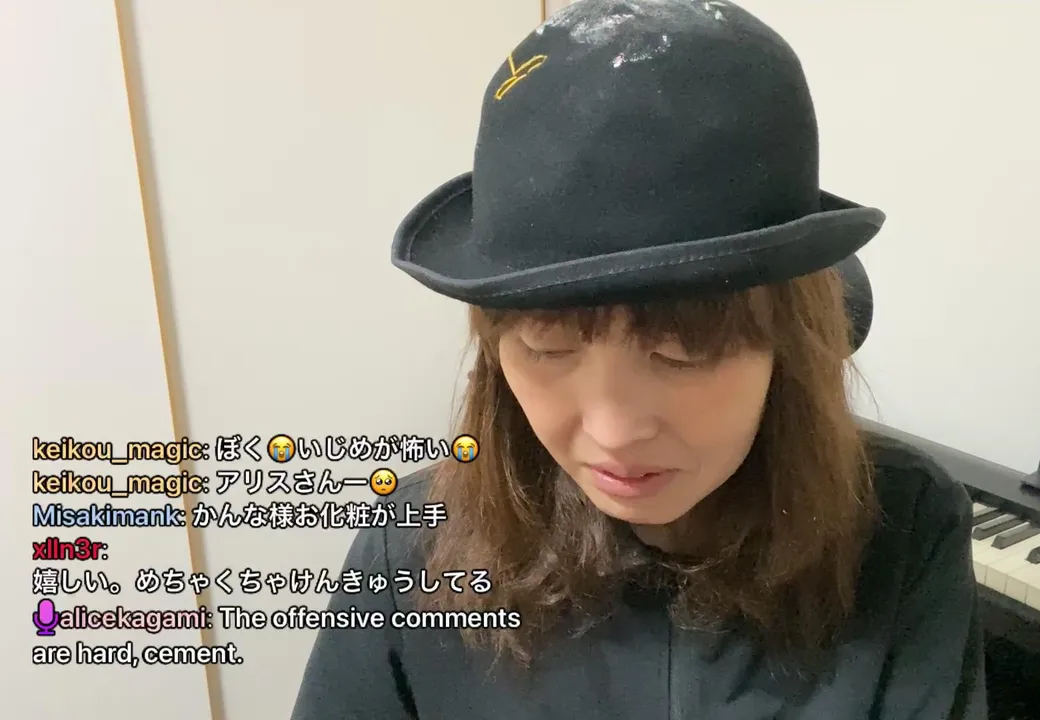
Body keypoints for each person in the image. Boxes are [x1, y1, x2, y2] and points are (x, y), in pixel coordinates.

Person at [291, 1, 986, 717]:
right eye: (547, 347)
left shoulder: (904, 527)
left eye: (683, 353)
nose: (614, 433)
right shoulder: (412, 547)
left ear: (789, 343)